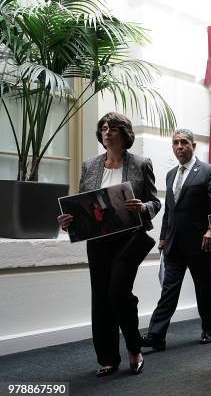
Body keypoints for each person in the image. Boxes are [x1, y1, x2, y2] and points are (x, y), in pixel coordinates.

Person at [57, 112, 160, 377]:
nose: (106, 131)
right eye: (103, 127)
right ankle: (107, 358)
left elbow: (155, 202)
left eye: (112, 128)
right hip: (99, 240)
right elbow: (82, 205)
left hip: (130, 238)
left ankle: (134, 348)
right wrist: (69, 220)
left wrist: (143, 206)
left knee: (117, 291)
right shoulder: (90, 165)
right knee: (101, 297)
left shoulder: (141, 163)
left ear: (123, 133)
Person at [140, 129, 211, 351]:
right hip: (174, 243)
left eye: (184, 142)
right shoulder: (170, 174)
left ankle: (208, 327)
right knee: (169, 289)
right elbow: (170, 209)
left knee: (202, 287)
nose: (179, 146)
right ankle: (156, 335)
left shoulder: (208, 171)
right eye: (175, 143)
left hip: (199, 242)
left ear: (193, 146)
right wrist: (162, 237)